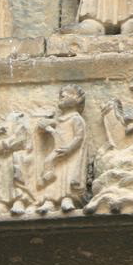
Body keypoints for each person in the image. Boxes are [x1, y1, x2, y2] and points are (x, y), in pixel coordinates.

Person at [35, 85, 88, 214]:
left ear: (77, 99)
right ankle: (50, 200)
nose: (61, 96)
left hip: (70, 154)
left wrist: (69, 149)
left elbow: (79, 137)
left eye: (66, 94)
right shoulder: (59, 120)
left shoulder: (76, 118)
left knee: (67, 175)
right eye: (60, 95)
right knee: (54, 174)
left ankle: (67, 198)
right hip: (58, 151)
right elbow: (50, 130)